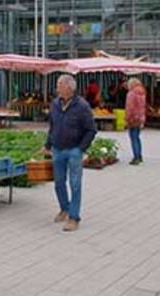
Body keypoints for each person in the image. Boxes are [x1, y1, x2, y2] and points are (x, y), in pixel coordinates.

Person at [43, 74, 97, 232]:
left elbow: (91, 130)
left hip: (74, 150)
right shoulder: (55, 104)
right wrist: (47, 145)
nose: (57, 87)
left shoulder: (82, 106)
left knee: (75, 184)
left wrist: (80, 149)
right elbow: (52, 127)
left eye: (60, 84)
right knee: (59, 183)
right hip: (58, 150)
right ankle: (64, 209)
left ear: (69, 87)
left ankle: (74, 218)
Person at [125, 78, 147, 165]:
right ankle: (139, 155)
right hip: (140, 117)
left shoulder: (131, 94)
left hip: (133, 118)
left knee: (133, 137)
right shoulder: (142, 92)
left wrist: (127, 118)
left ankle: (136, 157)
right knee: (137, 137)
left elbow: (130, 107)